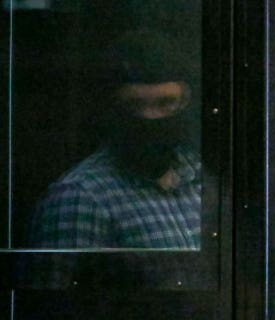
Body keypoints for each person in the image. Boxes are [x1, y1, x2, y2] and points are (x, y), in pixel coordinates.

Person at [29, 29, 201, 249]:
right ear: (113, 108)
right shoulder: (80, 199)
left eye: (166, 103)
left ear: (185, 102)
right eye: (134, 105)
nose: (151, 117)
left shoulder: (200, 179)